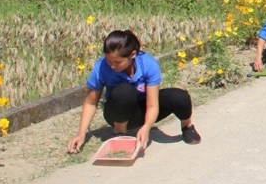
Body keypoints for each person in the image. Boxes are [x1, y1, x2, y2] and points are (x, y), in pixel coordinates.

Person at [67, 30, 201, 153]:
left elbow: (153, 105)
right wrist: (81, 133)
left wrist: (146, 127)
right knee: (124, 91)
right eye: (109, 61)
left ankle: (187, 127)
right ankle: (119, 134)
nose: (112, 66)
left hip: (144, 110)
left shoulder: (148, 64)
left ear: (132, 54)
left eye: (117, 62)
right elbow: (90, 103)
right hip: (117, 112)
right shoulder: (101, 67)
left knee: (179, 96)